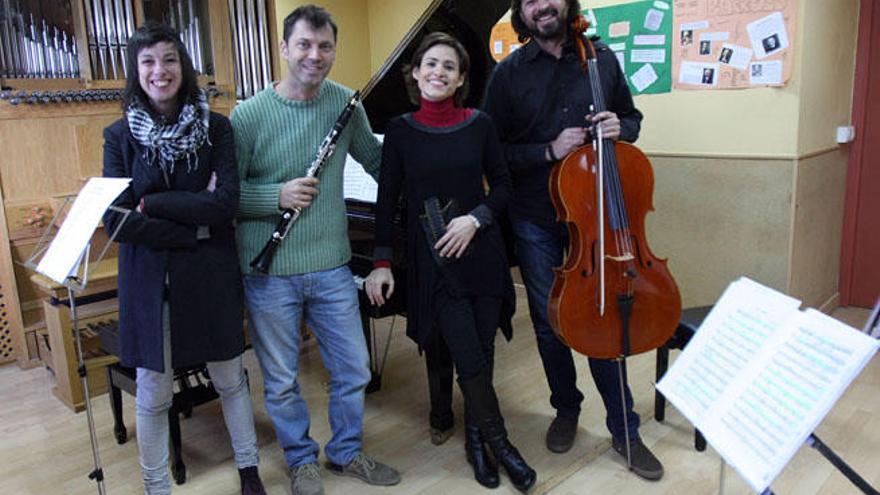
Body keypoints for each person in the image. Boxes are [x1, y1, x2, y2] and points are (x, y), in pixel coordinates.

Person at [482, 0, 664, 481]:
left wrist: (619, 127)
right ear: (522, 11)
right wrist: (547, 150)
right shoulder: (508, 74)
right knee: (549, 323)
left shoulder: (600, 58)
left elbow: (632, 118)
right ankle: (566, 408)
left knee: (604, 318)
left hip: (598, 216)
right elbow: (491, 151)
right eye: (530, 0)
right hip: (536, 216)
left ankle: (624, 429)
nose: (543, 5)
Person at [230, 5, 400, 495]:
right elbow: (224, 197)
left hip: (330, 265)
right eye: (304, 44)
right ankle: (301, 460)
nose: (315, 55)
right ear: (283, 48)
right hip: (269, 270)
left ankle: (345, 452)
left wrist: (428, 155)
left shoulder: (346, 103)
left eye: (325, 46)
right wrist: (274, 195)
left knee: (354, 369)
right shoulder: (249, 115)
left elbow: (377, 161)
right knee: (281, 380)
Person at [365, 32, 536, 492]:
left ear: (461, 78)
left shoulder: (480, 125)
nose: (438, 72)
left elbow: (501, 187)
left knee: (482, 349)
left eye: (449, 67)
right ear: (416, 72)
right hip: (434, 258)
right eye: (430, 64)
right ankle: (503, 446)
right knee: (465, 350)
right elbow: (386, 202)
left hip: (481, 251)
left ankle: (476, 441)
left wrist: (476, 219)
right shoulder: (400, 131)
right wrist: (381, 262)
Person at [102, 22, 266, 495]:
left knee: (229, 377)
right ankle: (157, 487)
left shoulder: (217, 129)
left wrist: (151, 203)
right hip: (150, 281)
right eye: (148, 61)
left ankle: (249, 470)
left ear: (184, 65)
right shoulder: (119, 138)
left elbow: (226, 204)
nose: (160, 70)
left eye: (169, 59)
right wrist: (194, 222)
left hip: (210, 275)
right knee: (152, 391)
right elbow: (117, 222)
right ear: (136, 70)